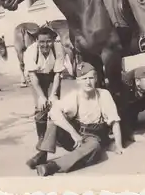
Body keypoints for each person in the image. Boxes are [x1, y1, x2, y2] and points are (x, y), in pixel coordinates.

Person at [32, 62, 124, 176]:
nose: (88, 82)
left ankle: (53, 166)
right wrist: (74, 133)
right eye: (84, 78)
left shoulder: (103, 94)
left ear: (96, 79)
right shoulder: (74, 95)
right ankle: (42, 154)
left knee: (94, 148)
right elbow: (54, 112)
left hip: (94, 136)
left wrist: (119, 146)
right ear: (78, 81)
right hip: (76, 136)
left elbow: (115, 121)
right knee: (55, 119)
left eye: (91, 78)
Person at [24, 25, 66, 169]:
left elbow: (57, 75)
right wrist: (42, 97)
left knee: (54, 109)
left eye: (48, 41)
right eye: (42, 42)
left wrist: (53, 94)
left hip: (51, 77)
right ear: (36, 41)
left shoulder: (58, 49)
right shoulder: (30, 51)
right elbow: (32, 77)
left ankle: (43, 152)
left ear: (53, 41)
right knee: (41, 110)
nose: (45, 45)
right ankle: (42, 140)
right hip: (35, 78)